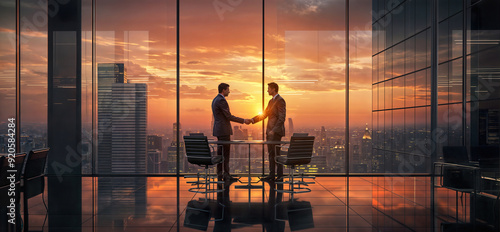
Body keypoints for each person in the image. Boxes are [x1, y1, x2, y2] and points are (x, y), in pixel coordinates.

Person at [212, 83, 252, 181]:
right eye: (228, 90)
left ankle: (220, 175)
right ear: (223, 90)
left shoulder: (215, 99)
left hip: (219, 130)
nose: (229, 92)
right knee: (225, 154)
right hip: (224, 131)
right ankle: (226, 175)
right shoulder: (221, 100)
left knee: (220, 154)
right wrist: (243, 120)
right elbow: (228, 116)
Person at [252, 82, 286, 181]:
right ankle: (271, 175)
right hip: (270, 132)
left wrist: (274, 131)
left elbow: (282, 118)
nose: (267, 90)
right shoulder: (271, 102)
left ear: (274, 89)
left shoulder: (280, 101)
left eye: (269, 89)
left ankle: (279, 176)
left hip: (275, 133)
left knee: (277, 154)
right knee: (271, 154)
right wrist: (253, 120)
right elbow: (265, 114)